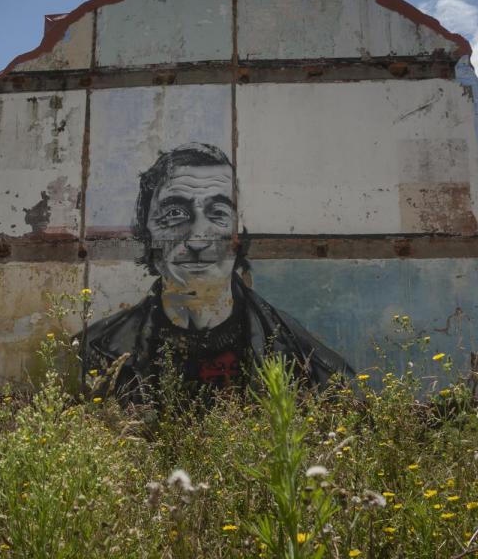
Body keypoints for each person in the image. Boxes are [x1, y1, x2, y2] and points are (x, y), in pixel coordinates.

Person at [80, 143, 352, 402]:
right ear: (145, 230)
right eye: (174, 213)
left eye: (218, 212)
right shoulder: (90, 352)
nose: (198, 240)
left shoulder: (310, 363)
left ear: (239, 235)